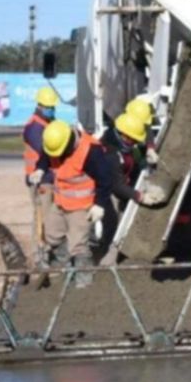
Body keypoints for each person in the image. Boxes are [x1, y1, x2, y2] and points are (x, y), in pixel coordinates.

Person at [35, 120, 166, 286]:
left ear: (69, 142)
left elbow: (105, 181)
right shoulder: (56, 141)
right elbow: (47, 155)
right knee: (52, 235)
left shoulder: (91, 151)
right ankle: (63, 267)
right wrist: (40, 168)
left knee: (78, 244)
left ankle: (83, 282)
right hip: (61, 201)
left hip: (82, 205)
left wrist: (99, 204)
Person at [24, 87, 58, 269]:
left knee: (49, 217)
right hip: (39, 180)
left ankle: (45, 254)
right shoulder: (34, 128)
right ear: (39, 106)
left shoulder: (47, 124)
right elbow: (46, 152)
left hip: (48, 178)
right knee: (43, 218)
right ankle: (40, 257)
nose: (51, 110)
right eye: (48, 107)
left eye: (52, 107)